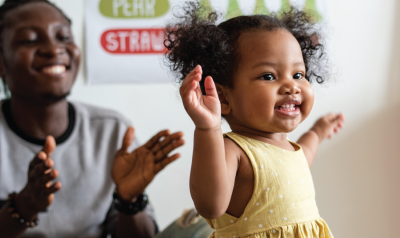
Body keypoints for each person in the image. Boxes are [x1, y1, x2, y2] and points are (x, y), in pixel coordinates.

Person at [0, 0, 184, 237]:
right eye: (30, 40)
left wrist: (128, 201)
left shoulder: (113, 131)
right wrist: (23, 207)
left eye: (63, 37)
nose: (54, 49)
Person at [164, 2, 345, 238]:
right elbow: (211, 206)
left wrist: (318, 132)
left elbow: (303, 158)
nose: (292, 85)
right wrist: (208, 128)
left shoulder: (289, 148)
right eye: (268, 76)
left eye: (298, 74)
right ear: (223, 97)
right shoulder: (234, 149)